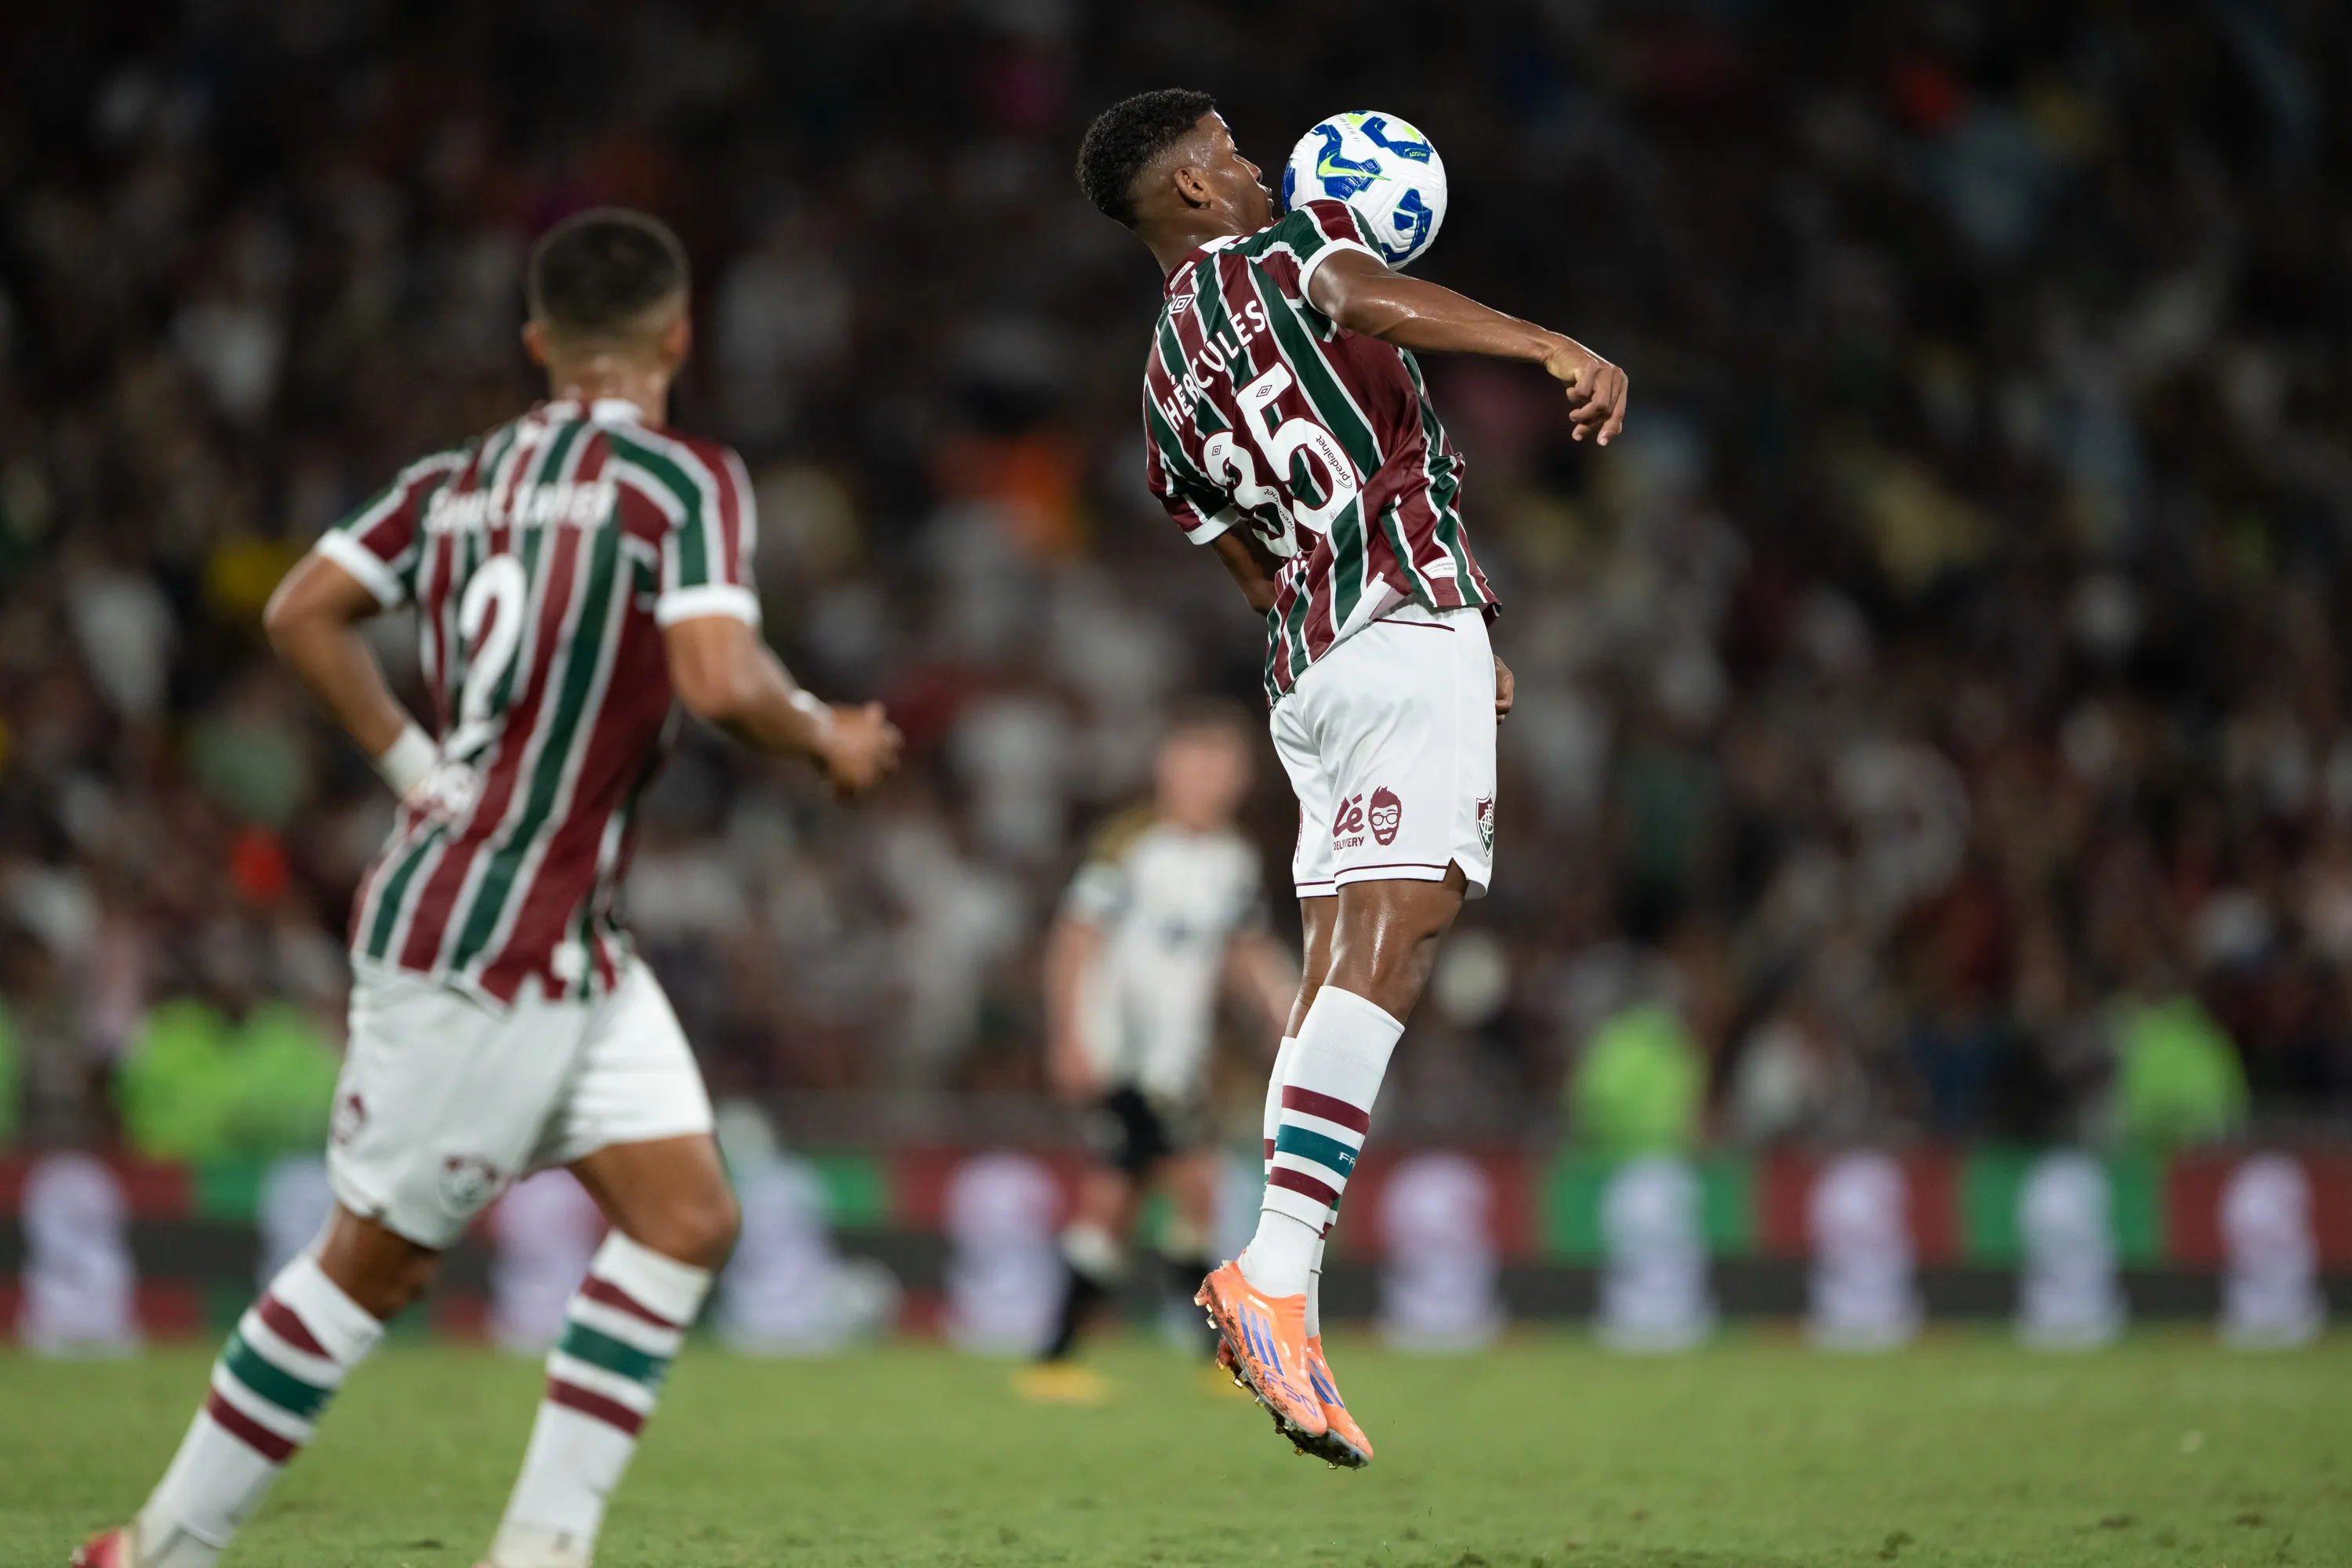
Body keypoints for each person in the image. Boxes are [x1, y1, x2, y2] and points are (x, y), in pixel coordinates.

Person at [74, 209, 902, 1568]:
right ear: (679, 336)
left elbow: (301, 610)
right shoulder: (682, 483)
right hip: (482, 937)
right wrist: (825, 732)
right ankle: (156, 1551)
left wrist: (412, 765)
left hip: (563, 929)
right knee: (373, 1267)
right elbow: (714, 678)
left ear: (537, 344)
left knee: (687, 1215)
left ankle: (541, 1551)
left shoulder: (452, 482)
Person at [1073, 89, 1628, 1466]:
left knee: (1334, 961)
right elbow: (1364, 294)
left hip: (1308, 671)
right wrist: (1546, 344)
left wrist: (1358, 628)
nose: (1258, 165)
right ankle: (1273, 1266)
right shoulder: (1280, 258)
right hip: (1394, 628)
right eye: (1230, 154)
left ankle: (1286, 1295)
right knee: (1408, 916)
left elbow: (1241, 564)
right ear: (1191, 194)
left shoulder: (1159, 387)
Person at [1018, 704, 1296, 1404]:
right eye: (1198, 763)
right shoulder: (1130, 846)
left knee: (1129, 1193)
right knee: (1179, 1186)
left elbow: (1243, 947)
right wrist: (1071, 1037)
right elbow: (1074, 940)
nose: (1211, 780)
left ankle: (1059, 1355)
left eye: (1224, 767)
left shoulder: (1232, 859)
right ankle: (1208, 1356)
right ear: (1167, 770)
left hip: (1176, 1060)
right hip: (1125, 1053)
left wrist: (1283, 1008)